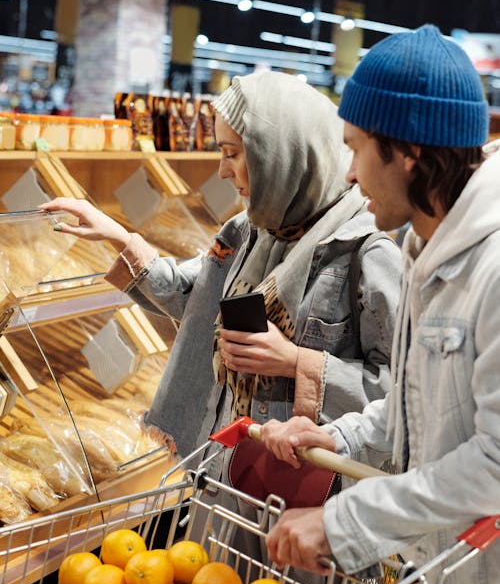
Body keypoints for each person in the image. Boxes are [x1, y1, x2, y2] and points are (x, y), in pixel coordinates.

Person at [261, 26, 500, 584]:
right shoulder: (424, 247)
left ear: (409, 152)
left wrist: (344, 523)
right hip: (459, 582)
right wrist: (338, 437)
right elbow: (416, 400)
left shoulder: (495, 267)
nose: (347, 171)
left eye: (357, 148)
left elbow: (497, 461)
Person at [41, 71, 401, 463]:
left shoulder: (365, 252)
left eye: (232, 153)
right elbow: (195, 300)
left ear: (281, 154)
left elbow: (404, 395)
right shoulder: (249, 230)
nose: (222, 171)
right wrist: (120, 237)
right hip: (229, 474)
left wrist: (297, 362)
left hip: (306, 497)